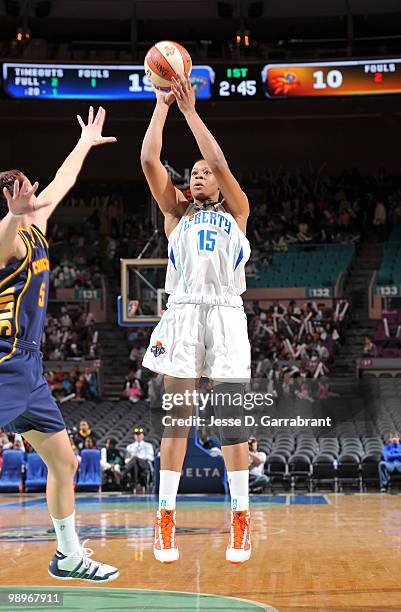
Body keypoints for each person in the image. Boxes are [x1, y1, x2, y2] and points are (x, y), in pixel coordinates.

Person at [0, 106, 119, 582]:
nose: (30, 192)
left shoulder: (37, 225)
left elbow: (64, 180)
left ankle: (68, 556)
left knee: (64, 459)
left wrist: (84, 145)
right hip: (3, 361)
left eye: (28, 186)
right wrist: (11, 216)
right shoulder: (9, 234)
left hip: (28, 369)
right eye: (18, 189)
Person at [141, 75, 251, 564]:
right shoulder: (176, 213)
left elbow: (223, 162)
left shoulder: (239, 213)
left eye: (206, 171)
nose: (201, 174)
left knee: (231, 421)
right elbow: (148, 160)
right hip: (184, 310)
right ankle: (165, 518)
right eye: (194, 171)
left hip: (227, 313)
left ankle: (241, 520)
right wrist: (163, 106)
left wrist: (190, 112)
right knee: (178, 419)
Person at [122, 427, 154, 493]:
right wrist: (133, 458)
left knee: (135, 459)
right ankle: (135, 485)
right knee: (135, 463)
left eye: (139, 434)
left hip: (144, 464)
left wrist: (138, 457)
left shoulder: (148, 446)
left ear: (143, 435)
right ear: (134, 436)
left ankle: (123, 473)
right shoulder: (130, 446)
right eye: (136, 435)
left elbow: (151, 457)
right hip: (133, 465)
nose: (138, 436)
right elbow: (126, 460)